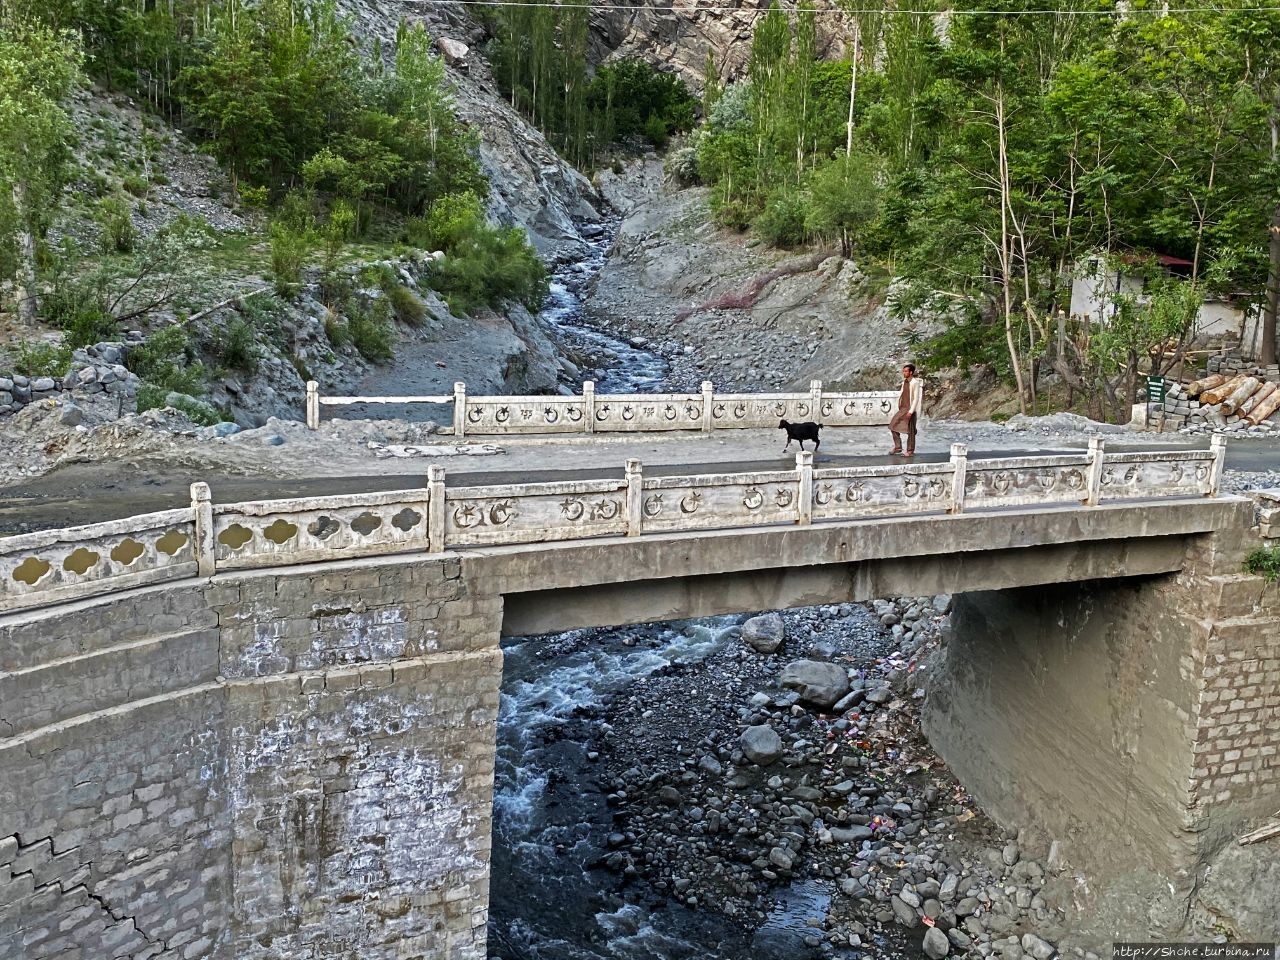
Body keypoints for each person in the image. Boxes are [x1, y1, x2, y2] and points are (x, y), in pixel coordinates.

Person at [888, 363, 922, 456]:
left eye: (906, 371)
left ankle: (910, 450)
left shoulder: (915, 382)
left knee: (910, 431)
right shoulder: (904, 382)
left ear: (911, 372)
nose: (904, 373)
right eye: (903, 371)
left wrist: (911, 411)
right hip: (902, 409)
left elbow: (916, 398)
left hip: (910, 409)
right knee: (893, 426)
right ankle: (898, 447)